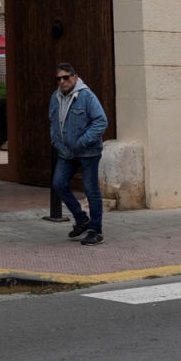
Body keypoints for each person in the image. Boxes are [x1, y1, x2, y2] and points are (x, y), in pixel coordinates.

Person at [50, 62, 109, 245]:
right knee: (59, 184)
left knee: (91, 190)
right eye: (58, 78)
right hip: (66, 152)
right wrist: (55, 140)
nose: (62, 81)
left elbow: (101, 122)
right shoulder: (56, 97)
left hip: (88, 151)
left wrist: (82, 142)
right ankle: (82, 219)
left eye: (65, 77)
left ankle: (96, 231)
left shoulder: (86, 96)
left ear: (75, 77)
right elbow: (53, 120)